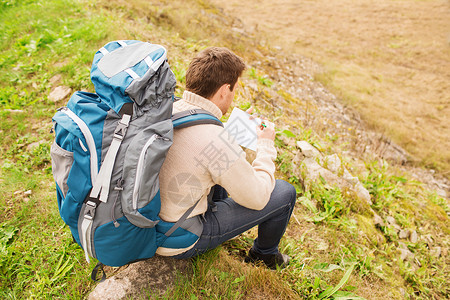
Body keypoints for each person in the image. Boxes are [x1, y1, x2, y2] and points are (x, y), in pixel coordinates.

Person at [157, 47, 297, 269]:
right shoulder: (217, 140)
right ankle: (264, 254)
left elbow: (196, 145)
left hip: (147, 222)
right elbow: (259, 198)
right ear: (224, 90)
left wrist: (229, 131)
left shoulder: (168, 107)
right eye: (234, 91)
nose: (232, 97)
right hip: (177, 238)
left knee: (218, 173)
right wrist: (266, 146)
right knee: (284, 192)